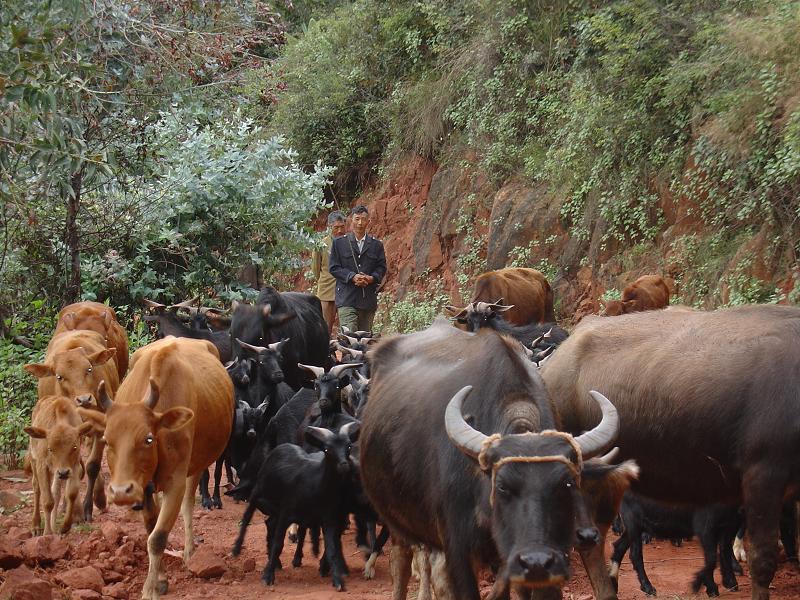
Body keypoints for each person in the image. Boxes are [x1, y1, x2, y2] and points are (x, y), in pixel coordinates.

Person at [329, 205, 387, 333]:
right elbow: (333, 268)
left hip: (367, 300)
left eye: (363, 219)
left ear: (368, 222)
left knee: (364, 341)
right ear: (351, 220)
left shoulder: (376, 245)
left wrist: (371, 278)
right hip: (346, 299)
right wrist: (352, 276)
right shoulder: (339, 244)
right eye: (357, 219)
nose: (360, 223)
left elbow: (381, 268)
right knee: (349, 338)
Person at [311, 211, 347, 335]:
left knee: (347, 329)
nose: (339, 231)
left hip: (346, 292)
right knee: (325, 329)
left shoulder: (349, 243)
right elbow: (316, 269)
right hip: (327, 292)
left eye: (342, 227)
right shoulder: (321, 245)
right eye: (336, 227)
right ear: (330, 227)